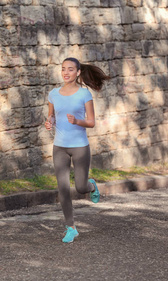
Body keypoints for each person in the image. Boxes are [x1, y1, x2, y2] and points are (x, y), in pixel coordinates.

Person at [45, 57, 109, 243]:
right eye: (63, 69)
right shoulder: (53, 94)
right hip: (60, 147)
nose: (66, 72)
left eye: (70, 69)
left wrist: (77, 121)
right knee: (63, 189)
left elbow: (91, 122)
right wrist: (49, 123)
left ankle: (91, 185)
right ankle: (70, 227)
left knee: (80, 188)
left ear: (78, 72)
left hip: (80, 146)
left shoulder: (84, 94)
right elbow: (52, 117)